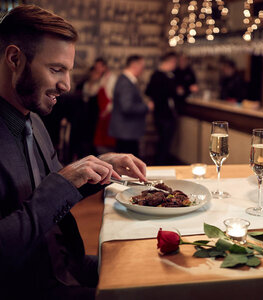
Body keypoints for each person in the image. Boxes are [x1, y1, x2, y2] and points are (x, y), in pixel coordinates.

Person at [0, 5, 147, 299]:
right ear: (15, 58)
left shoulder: (36, 122)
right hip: (29, 286)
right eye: (56, 69)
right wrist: (63, 182)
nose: (65, 85)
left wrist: (97, 167)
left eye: (68, 71)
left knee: (151, 273)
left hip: (67, 267)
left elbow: (53, 189)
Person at [109, 55, 153, 156]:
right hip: (127, 131)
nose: (143, 70)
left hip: (126, 130)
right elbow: (127, 107)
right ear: (134, 65)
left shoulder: (125, 80)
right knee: (128, 166)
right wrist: (147, 107)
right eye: (142, 67)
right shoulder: (126, 82)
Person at [145, 52, 178, 165]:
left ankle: (161, 163)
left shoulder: (165, 75)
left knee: (165, 141)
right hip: (163, 114)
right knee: (164, 141)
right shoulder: (160, 76)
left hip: (163, 113)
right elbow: (150, 91)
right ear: (169, 61)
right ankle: (161, 164)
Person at [93, 57, 117, 154]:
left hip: (109, 114)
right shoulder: (101, 79)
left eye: (99, 67)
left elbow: (114, 98)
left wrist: (106, 110)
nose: (97, 69)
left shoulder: (112, 78)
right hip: (101, 113)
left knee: (109, 140)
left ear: (105, 67)